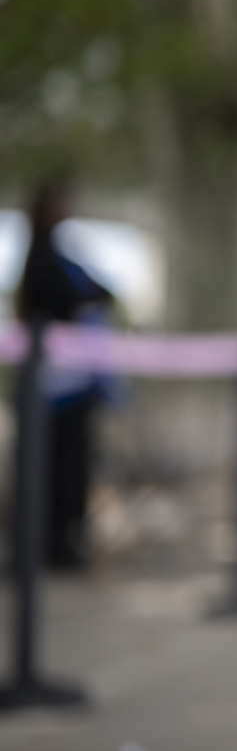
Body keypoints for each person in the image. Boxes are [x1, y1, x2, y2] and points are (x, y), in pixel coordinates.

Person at [15, 180, 115, 569]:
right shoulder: (41, 260)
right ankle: (47, 546)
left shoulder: (62, 259)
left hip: (74, 382)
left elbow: (101, 293)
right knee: (50, 466)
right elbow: (76, 298)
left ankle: (63, 543)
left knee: (71, 466)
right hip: (50, 385)